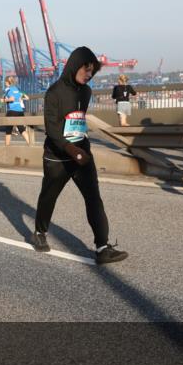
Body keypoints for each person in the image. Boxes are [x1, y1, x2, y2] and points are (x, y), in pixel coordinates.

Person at [31, 47, 128, 265]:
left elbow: (79, 121)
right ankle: (39, 233)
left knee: (93, 198)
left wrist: (81, 149)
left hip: (82, 153)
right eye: (86, 70)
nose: (89, 75)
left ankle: (102, 247)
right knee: (49, 196)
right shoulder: (54, 92)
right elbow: (52, 128)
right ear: (75, 65)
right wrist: (71, 150)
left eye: (92, 72)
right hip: (58, 156)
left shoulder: (86, 92)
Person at [1, 76, 31, 146]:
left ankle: (7, 148)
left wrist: (4, 100)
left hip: (12, 111)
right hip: (20, 111)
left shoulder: (8, 89)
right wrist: (20, 99)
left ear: (7, 82)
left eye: (5, 82)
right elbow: (27, 97)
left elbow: (12, 99)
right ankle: (30, 144)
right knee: (22, 129)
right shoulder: (17, 89)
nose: (5, 84)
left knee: (8, 130)